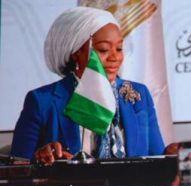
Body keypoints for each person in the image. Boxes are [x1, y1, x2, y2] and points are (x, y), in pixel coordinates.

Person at [10, 6, 167, 164]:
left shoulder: (139, 95)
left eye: (119, 48)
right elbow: (18, 165)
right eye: (103, 49)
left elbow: (159, 160)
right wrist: (40, 159)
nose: (115, 57)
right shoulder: (41, 101)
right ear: (76, 53)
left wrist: (172, 153)